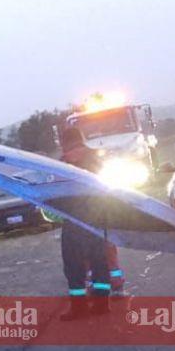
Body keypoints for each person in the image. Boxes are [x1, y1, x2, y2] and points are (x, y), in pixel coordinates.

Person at [56, 125, 113, 319]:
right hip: (97, 219)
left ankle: (79, 306)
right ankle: (101, 303)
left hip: (75, 220)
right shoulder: (97, 158)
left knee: (74, 265)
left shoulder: (63, 164)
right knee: (99, 262)